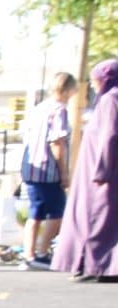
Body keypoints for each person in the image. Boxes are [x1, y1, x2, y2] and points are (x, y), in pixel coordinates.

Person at [54, 59, 118, 279]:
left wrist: (103, 169)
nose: (93, 85)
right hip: (100, 170)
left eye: (96, 80)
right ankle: (93, 265)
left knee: (95, 219)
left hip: (101, 174)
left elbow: (110, 136)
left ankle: (95, 266)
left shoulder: (111, 99)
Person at [22, 73, 75, 267]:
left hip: (31, 167)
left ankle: (29, 254)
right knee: (57, 212)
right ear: (69, 90)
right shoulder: (59, 110)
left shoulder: (39, 109)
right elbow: (57, 142)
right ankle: (42, 251)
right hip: (48, 169)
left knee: (35, 212)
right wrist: (65, 172)